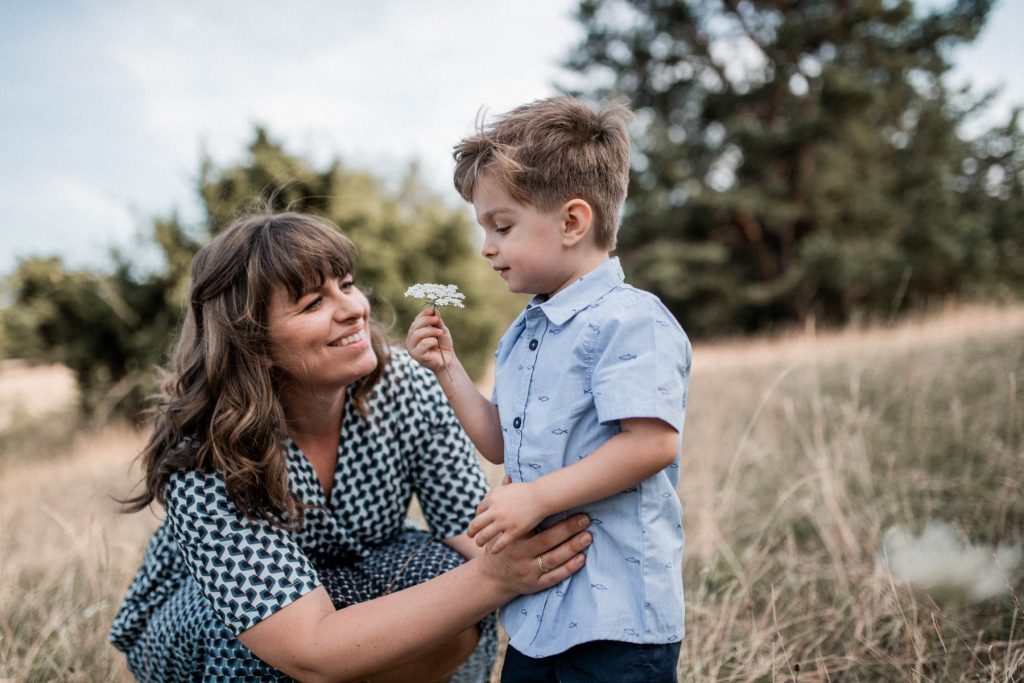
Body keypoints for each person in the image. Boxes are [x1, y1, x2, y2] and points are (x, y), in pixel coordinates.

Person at [109, 211, 593, 683]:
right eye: (312, 304)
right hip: (213, 622)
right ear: (251, 340)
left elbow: (474, 534)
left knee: (447, 579)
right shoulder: (205, 456)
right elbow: (307, 648)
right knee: (248, 640)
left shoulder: (406, 383)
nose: (353, 309)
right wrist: (495, 578)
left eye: (346, 283)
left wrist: (548, 542)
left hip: (354, 578)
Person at [406, 96, 691, 682]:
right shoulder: (523, 335)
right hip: (538, 610)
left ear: (571, 222)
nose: (486, 247)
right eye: (483, 227)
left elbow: (652, 444)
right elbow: (500, 443)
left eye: (501, 226)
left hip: (617, 615)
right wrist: (447, 369)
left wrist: (536, 499)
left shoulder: (630, 320)